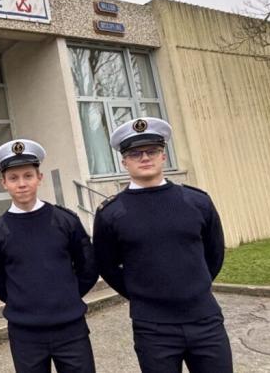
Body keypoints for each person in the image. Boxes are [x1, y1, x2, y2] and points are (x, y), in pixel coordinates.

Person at [93, 117, 232, 373]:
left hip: (205, 319)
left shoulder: (197, 201)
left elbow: (214, 253)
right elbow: (107, 265)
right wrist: (141, 293)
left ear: (163, 156)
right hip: (153, 327)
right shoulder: (111, 213)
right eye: (135, 153)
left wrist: (193, 286)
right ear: (124, 161)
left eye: (152, 151)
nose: (145, 157)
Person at [0, 139, 98, 373]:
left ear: (39, 178)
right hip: (26, 334)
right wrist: (24, 303)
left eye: (28, 176)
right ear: (3, 182)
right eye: (13, 178)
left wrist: (66, 296)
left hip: (71, 329)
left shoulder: (65, 221)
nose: (22, 184)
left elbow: (88, 267)